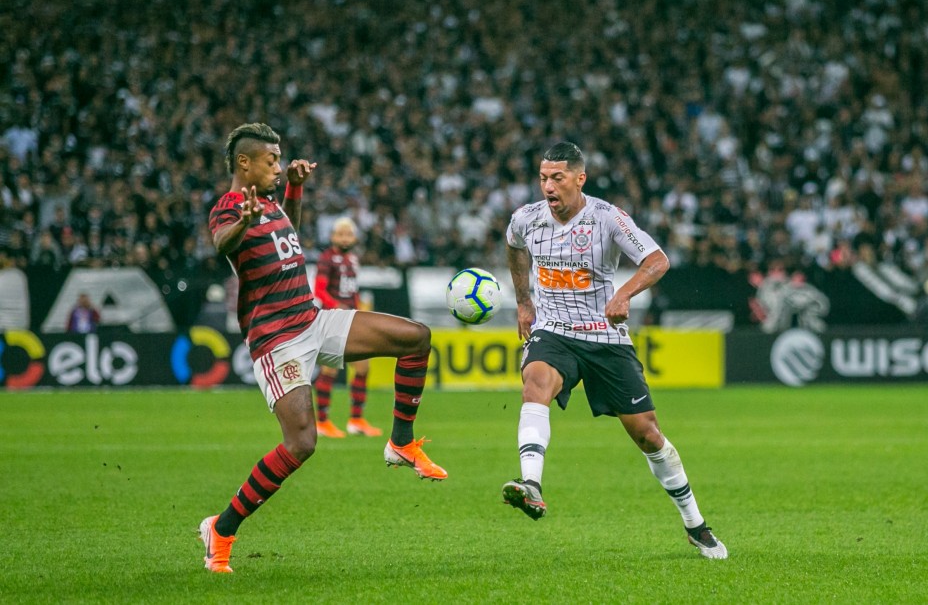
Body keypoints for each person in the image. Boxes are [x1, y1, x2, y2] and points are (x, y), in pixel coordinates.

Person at [200, 123, 446, 574]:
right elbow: (221, 243)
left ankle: (401, 442)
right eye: (271, 161)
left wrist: (294, 189)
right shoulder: (229, 208)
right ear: (244, 163)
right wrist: (245, 222)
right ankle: (221, 528)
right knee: (301, 443)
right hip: (279, 341)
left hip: (315, 320)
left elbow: (288, 229)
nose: (278, 166)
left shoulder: (271, 203)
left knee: (415, 338)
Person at [502, 142, 727, 559]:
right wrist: (523, 302)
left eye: (558, 178)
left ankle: (695, 524)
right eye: (543, 177)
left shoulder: (607, 218)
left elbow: (657, 260)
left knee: (648, 435)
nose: (548, 186)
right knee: (535, 382)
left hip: (605, 338)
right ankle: (530, 483)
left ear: (579, 178)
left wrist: (624, 294)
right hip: (554, 331)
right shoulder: (527, 219)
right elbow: (513, 246)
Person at [312, 217, 382, 438]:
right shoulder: (327, 259)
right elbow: (319, 291)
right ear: (332, 236)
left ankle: (356, 420)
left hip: (352, 319)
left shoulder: (353, 259)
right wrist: (337, 306)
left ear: (355, 237)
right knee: (329, 370)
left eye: (348, 234)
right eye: (340, 234)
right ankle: (321, 422)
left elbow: (353, 291)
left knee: (363, 368)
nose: (344, 238)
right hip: (333, 319)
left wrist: (359, 309)